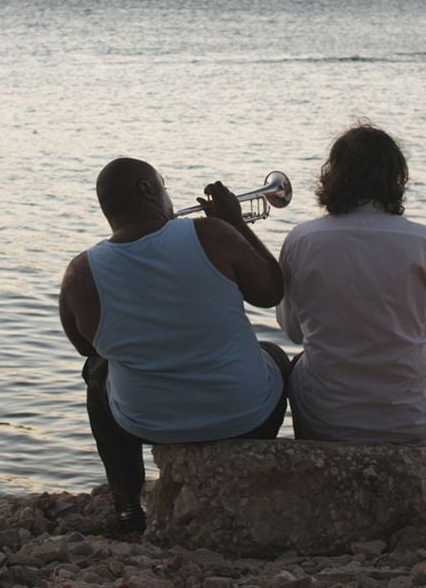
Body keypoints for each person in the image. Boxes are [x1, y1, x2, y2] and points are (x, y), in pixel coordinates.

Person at [59, 157, 291, 533]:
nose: (169, 198)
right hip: (246, 417)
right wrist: (233, 222)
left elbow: (87, 348)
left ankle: (127, 506)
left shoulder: (81, 273)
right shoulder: (211, 234)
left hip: (145, 423)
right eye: (164, 186)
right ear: (147, 190)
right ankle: (244, 480)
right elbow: (271, 291)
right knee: (276, 355)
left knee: (98, 371)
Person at [276, 124, 426, 540]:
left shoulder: (302, 238)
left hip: (325, 417)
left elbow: (291, 331)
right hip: (410, 418)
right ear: (396, 178)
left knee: (293, 364)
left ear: (332, 176)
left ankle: (314, 490)